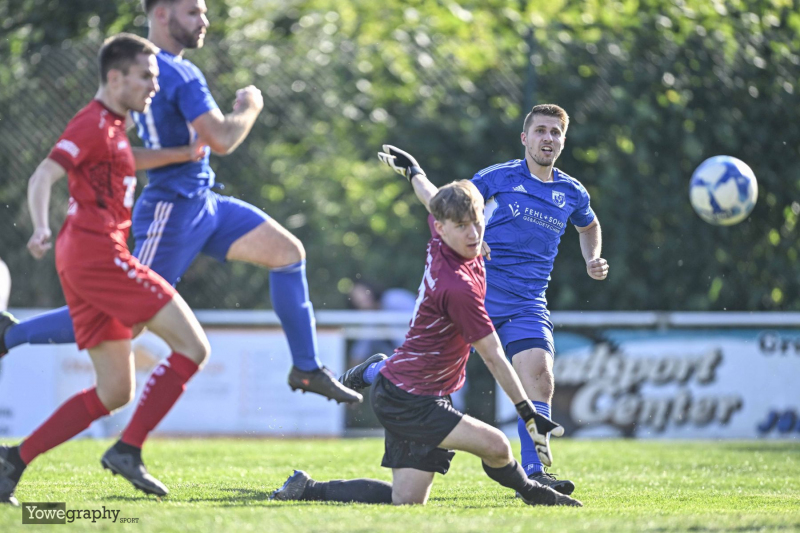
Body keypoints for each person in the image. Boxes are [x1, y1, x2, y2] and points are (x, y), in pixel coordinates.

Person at [0, 0, 361, 405]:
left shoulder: (144, 73)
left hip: (201, 200)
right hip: (170, 209)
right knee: (128, 319)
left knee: (287, 253)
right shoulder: (175, 72)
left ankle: (306, 368)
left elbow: (123, 153)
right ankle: (10, 334)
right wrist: (249, 108)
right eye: (192, 12)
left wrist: (178, 154)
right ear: (160, 14)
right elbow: (223, 139)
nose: (203, 20)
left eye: (203, 12)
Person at [270, 163, 581, 507]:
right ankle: (537, 495)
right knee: (497, 447)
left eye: (477, 223)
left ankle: (307, 488)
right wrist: (527, 412)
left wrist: (413, 172)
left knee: (406, 501)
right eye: (462, 227)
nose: (473, 234)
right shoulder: (458, 287)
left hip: (406, 387)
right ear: (442, 228)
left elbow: (432, 198)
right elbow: (493, 356)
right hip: (413, 398)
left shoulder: (444, 241)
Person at [342, 107, 609, 495]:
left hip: (527, 303)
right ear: (525, 138)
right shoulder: (496, 178)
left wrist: (592, 257)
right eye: (540, 131)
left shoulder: (572, 191)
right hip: (477, 295)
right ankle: (376, 372)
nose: (547, 138)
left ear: (563, 140)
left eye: (555, 132)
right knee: (427, 373)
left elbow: (589, 225)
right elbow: (446, 207)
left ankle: (535, 472)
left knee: (540, 375)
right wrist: (419, 177)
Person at [0, 33, 212, 506]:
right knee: (194, 347)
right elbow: (43, 174)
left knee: (115, 390)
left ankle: (11, 463)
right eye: (145, 77)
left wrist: (182, 154)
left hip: (87, 259)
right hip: (100, 258)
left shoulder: (116, 126)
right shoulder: (93, 123)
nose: (153, 87)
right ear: (115, 78)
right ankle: (128, 449)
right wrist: (39, 226)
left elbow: (113, 168)